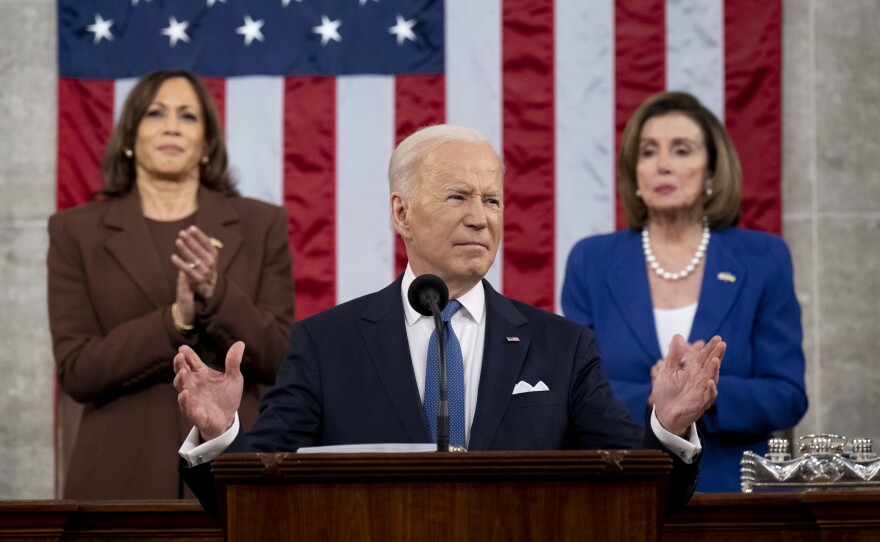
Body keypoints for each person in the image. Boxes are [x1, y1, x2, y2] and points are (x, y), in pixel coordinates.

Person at [174, 124, 724, 516]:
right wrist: (220, 434)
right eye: (458, 196)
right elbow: (252, 491)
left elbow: (634, 489)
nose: (480, 218)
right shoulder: (327, 344)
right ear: (401, 213)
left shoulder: (563, 346)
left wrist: (669, 427)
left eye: (493, 200)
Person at [47, 69, 295, 499]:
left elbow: (279, 359)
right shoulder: (76, 232)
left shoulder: (261, 224)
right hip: (119, 477)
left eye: (188, 116)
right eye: (155, 113)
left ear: (207, 143)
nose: (171, 126)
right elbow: (77, 371)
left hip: (237, 473)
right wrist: (175, 321)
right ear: (130, 136)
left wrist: (216, 295)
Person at [561, 91, 808, 492]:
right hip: (621, 489)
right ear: (634, 173)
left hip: (736, 497)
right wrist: (659, 397)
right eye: (648, 152)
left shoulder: (764, 259)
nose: (662, 166)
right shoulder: (592, 261)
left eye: (681, 151)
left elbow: (788, 395)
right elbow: (575, 393)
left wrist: (700, 392)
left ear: (711, 171)